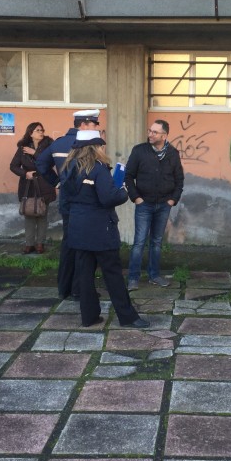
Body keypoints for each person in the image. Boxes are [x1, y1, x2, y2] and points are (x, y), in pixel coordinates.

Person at [60, 129, 149, 328]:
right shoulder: (98, 169)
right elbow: (108, 198)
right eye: (102, 144)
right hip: (100, 230)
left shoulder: (69, 167)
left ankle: (89, 317)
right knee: (113, 275)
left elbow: (66, 201)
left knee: (85, 276)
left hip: (78, 229)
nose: (104, 148)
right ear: (95, 147)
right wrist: (123, 191)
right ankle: (128, 317)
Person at [37, 109, 101, 299]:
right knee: (84, 246)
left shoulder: (59, 143)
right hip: (86, 201)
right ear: (83, 125)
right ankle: (79, 289)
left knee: (68, 244)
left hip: (67, 200)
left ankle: (64, 288)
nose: (96, 128)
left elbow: (41, 163)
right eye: (93, 125)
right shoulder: (87, 144)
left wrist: (58, 183)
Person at [125, 119, 185, 290]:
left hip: (164, 205)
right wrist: (136, 197)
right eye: (150, 131)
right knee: (139, 242)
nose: (150, 134)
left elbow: (179, 179)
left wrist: (173, 199)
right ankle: (133, 278)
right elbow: (128, 176)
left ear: (164, 135)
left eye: (154, 132)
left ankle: (154, 275)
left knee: (157, 242)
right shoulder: (139, 151)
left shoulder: (172, 153)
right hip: (144, 203)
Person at [9, 122, 57, 254]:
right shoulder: (22, 148)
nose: (41, 132)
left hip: (44, 183)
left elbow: (50, 162)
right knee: (29, 213)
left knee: (42, 214)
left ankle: (40, 243)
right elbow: (13, 166)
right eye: (38, 130)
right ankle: (29, 244)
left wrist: (35, 153)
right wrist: (25, 174)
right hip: (28, 184)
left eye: (42, 130)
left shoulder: (49, 145)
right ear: (31, 133)